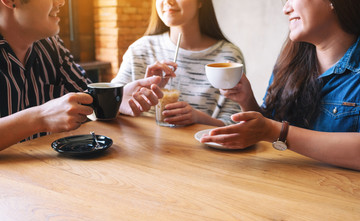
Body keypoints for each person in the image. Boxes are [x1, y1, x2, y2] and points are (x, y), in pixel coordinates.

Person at [201, 0, 360, 170]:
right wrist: (247, 101)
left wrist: (277, 132)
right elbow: (271, 127)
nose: (286, 9)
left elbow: (274, 131)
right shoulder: (291, 62)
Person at [0, 0, 164, 151]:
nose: (61, 2)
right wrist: (40, 118)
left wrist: (116, 99)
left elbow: (85, 100)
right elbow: (47, 115)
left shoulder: (51, 46)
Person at [112, 0, 245, 126]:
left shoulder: (228, 56)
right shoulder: (139, 50)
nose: (168, 1)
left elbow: (235, 124)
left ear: (200, 2)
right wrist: (120, 102)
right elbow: (102, 110)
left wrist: (198, 118)